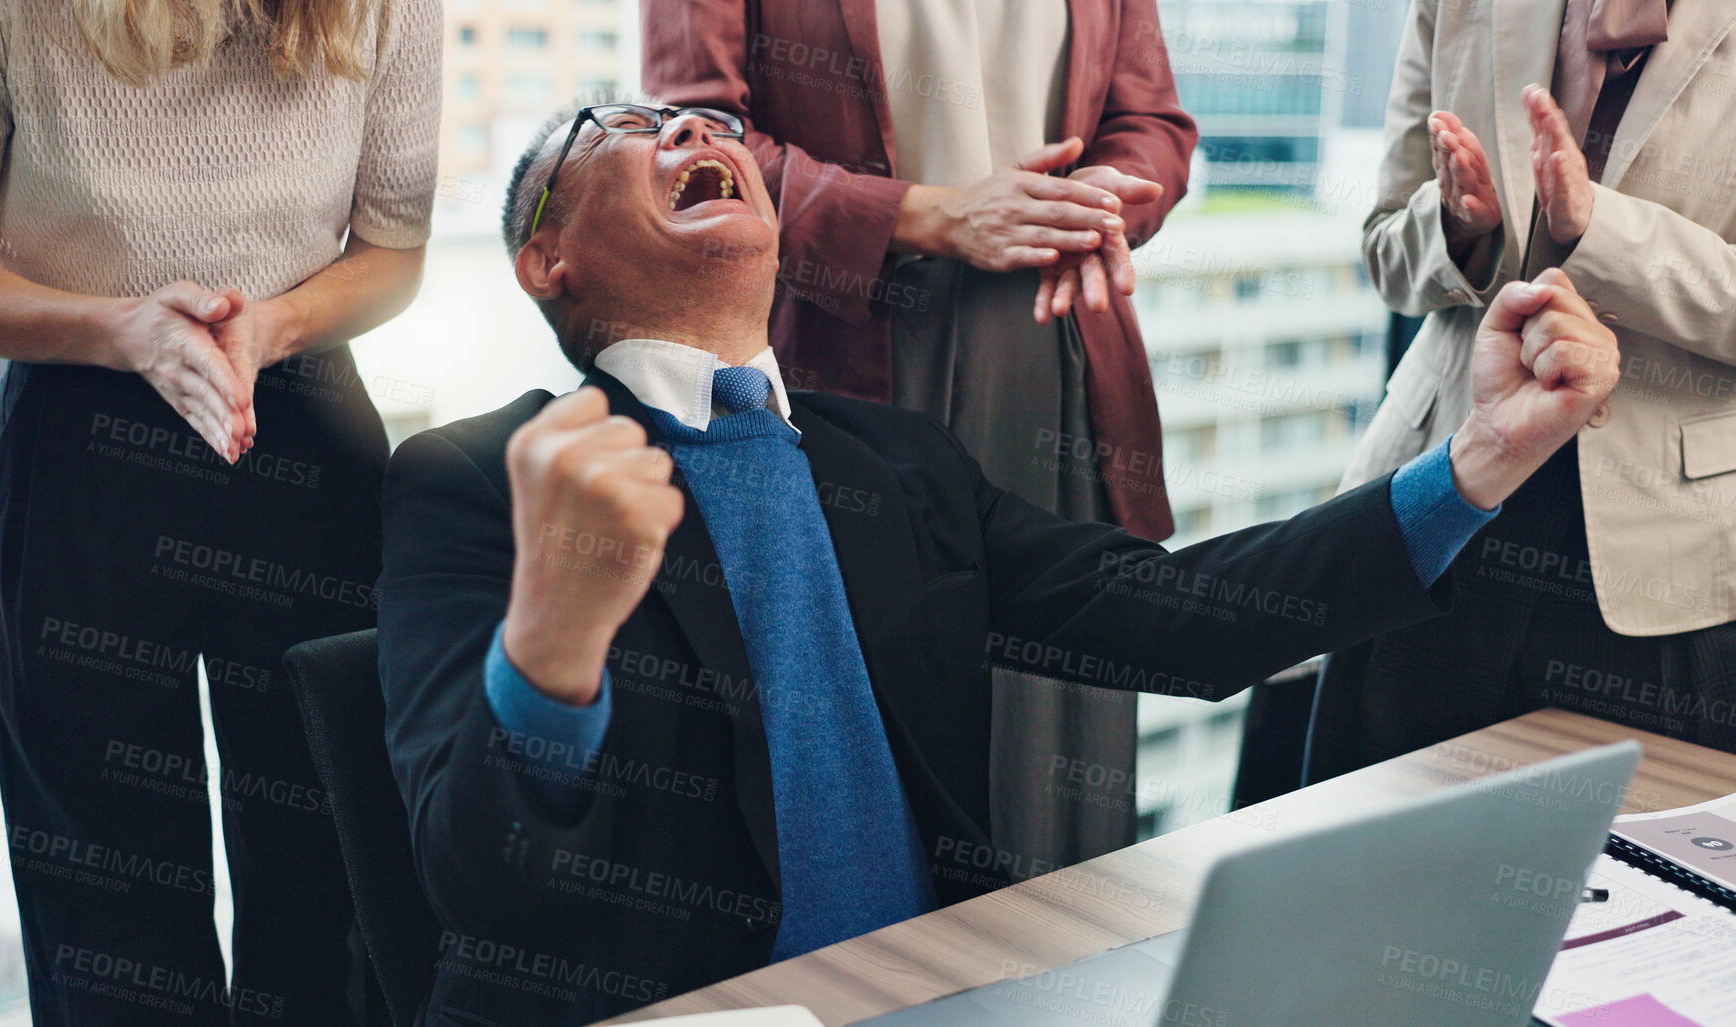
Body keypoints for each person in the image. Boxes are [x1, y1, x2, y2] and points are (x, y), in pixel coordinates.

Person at [376, 99, 1619, 1026]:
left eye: (709, 125)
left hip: (938, 996)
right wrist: (551, 642)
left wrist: (1476, 463)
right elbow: (484, 892)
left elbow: (1183, 618)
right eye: (621, 128)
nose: (690, 126)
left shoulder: (903, 464)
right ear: (550, 261)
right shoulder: (486, 479)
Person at [0, 0, 440, 1021]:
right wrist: (125, 331)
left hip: (300, 414)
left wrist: (268, 324)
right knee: (105, 902)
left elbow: (394, 249)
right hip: (78, 415)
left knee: (336, 875)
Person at [642, 0, 1198, 866]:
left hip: (1054, 350)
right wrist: (933, 215)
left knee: (1062, 736)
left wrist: (1095, 199)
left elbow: (1151, 121)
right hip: (846, 348)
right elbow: (695, 140)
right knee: (864, 741)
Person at [1307, 0, 1736, 783]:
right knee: (1381, 865)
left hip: (1665, 552)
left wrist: (1595, 229)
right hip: (1443, 497)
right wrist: (1457, 230)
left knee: (1638, 888)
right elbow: (1383, 252)